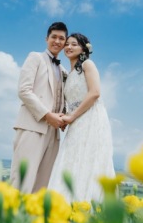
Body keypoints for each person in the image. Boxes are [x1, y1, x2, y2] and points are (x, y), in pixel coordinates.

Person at [47, 33, 115, 202]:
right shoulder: (69, 74)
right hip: (76, 120)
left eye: (74, 44)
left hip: (91, 117)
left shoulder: (87, 64)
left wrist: (72, 117)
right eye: (67, 44)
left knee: (89, 158)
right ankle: (68, 202)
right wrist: (66, 117)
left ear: (84, 49)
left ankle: (89, 203)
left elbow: (95, 93)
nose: (69, 47)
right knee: (73, 158)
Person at [10, 22, 68, 193]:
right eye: (54, 37)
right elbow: (24, 91)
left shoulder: (63, 70)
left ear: (65, 42)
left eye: (61, 38)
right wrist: (47, 115)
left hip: (54, 133)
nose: (57, 41)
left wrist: (63, 117)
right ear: (46, 39)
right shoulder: (35, 57)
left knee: (42, 185)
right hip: (32, 126)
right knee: (22, 181)